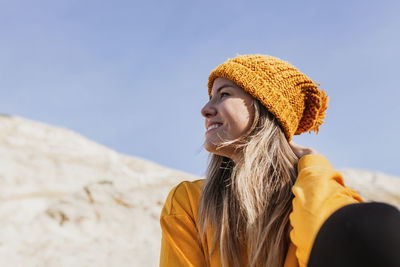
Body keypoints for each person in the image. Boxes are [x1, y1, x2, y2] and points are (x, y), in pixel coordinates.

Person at [159, 55, 400, 267]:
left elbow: (326, 247)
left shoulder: (310, 189)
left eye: (224, 94)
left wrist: (312, 165)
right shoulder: (190, 202)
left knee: (374, 223)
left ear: (266, 109)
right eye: (210, 97)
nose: (205, 109)